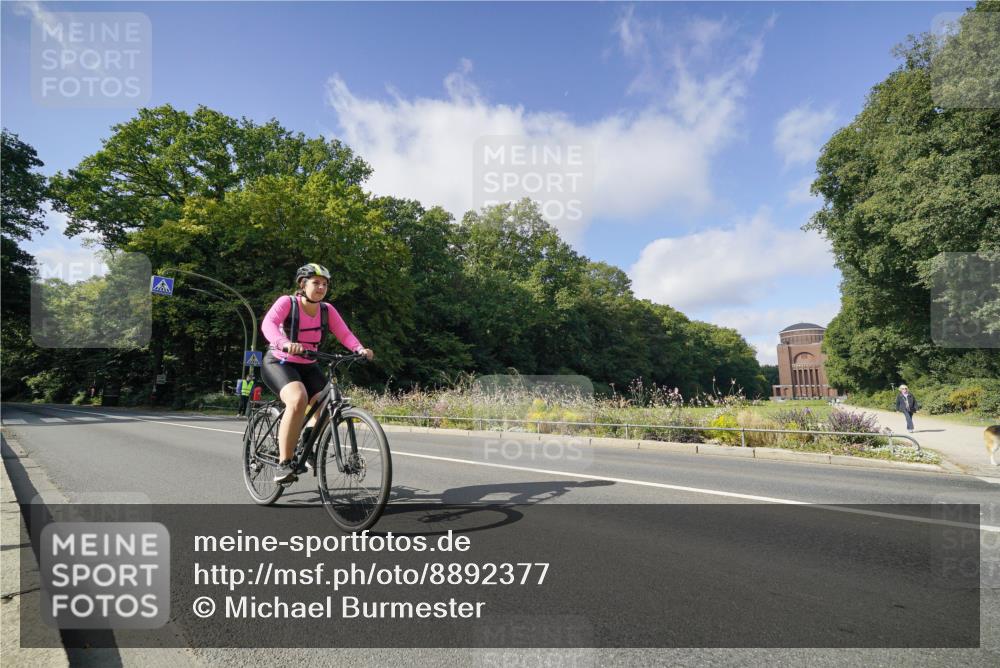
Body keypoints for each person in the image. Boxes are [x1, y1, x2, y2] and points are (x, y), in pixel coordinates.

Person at [260, 263, 374, 482]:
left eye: (325, 284)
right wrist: (284, 343)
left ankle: (306, 442)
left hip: (308, 364)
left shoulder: (326, 310)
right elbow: (269, 324)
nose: (321, 288)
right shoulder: (288, 303)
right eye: (316, 283)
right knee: (298, 398)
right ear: (303, 285)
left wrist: (359, 349)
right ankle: (284, 463)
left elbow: (344, 333)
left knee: (326, 405)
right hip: (280, 362)